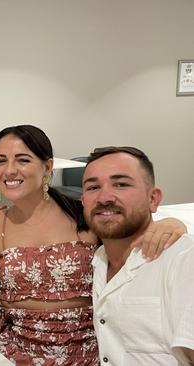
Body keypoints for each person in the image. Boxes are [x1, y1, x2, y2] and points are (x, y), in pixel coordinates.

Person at [0, 125, 185, 365]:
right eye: (1, 161)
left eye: (23, 160)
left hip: (90, 354)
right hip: (15, 352)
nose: (9, 170)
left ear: (47, 167)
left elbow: (132, 230)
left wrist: (172, 223)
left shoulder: (84, 214)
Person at [82, 146, 194, 365]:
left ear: (153, 199)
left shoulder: (183, 261)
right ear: (83, 202)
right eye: (93, 187)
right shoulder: (97, 260)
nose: (104, 197)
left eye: (121, 184)